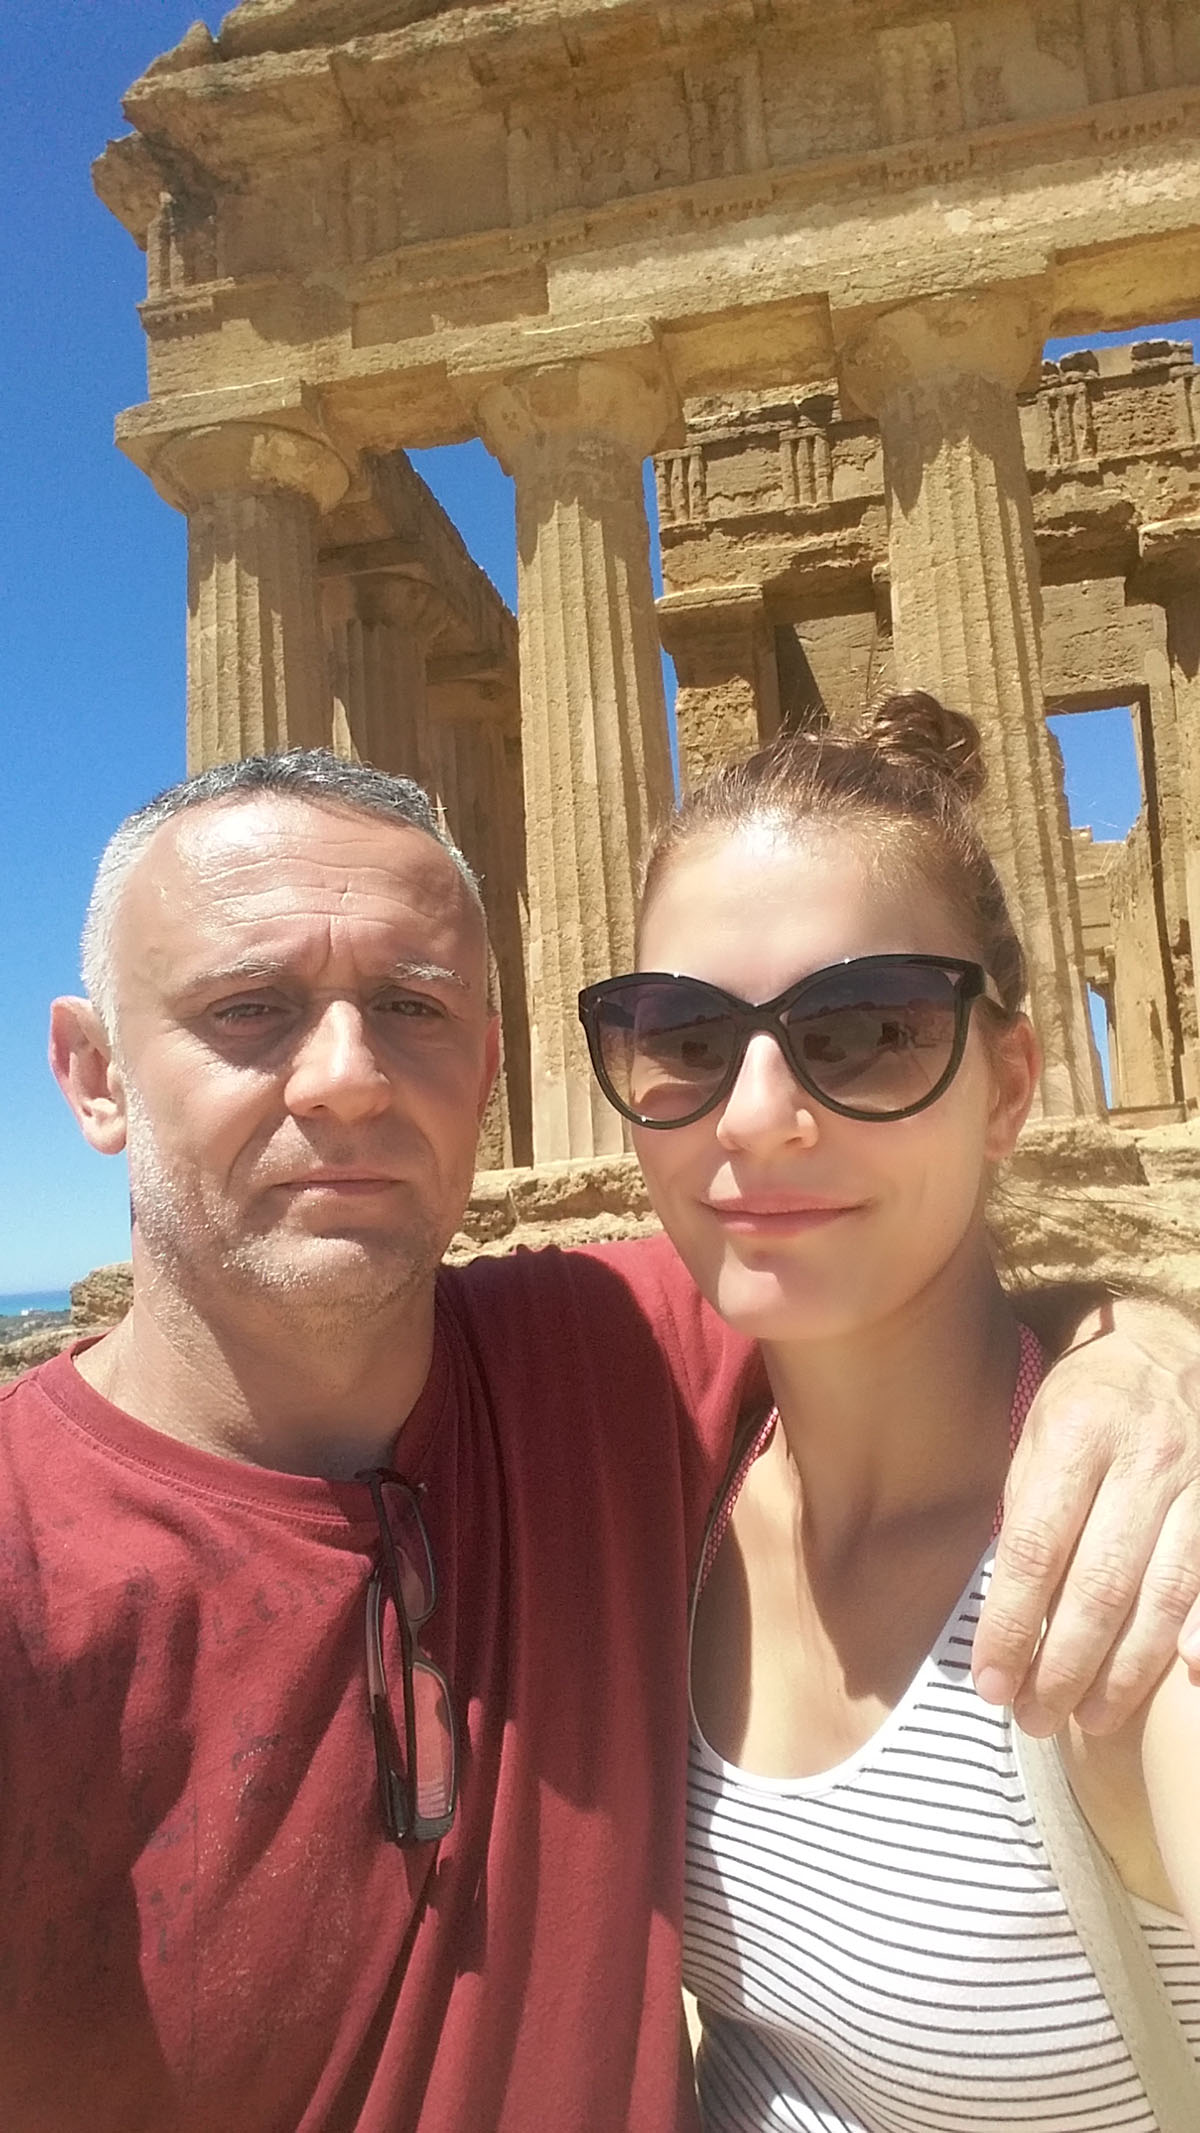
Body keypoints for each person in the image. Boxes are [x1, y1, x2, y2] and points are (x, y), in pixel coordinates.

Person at [2, 750, 1199, 2133]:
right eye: (249, 1008)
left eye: (868, 1029)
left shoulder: (612, 1366)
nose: (345, 1079)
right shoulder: (29, 1574)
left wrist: (1135, 1353)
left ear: (485, 1070)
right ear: (94, 1075)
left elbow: (915, 1287)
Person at [577, 693, 1200, 2131]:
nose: (755, 1114)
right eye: (682, 1036)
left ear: (1009, 1086)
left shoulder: (1131, 1562)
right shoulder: (662, 1487)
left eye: (865, 1028)